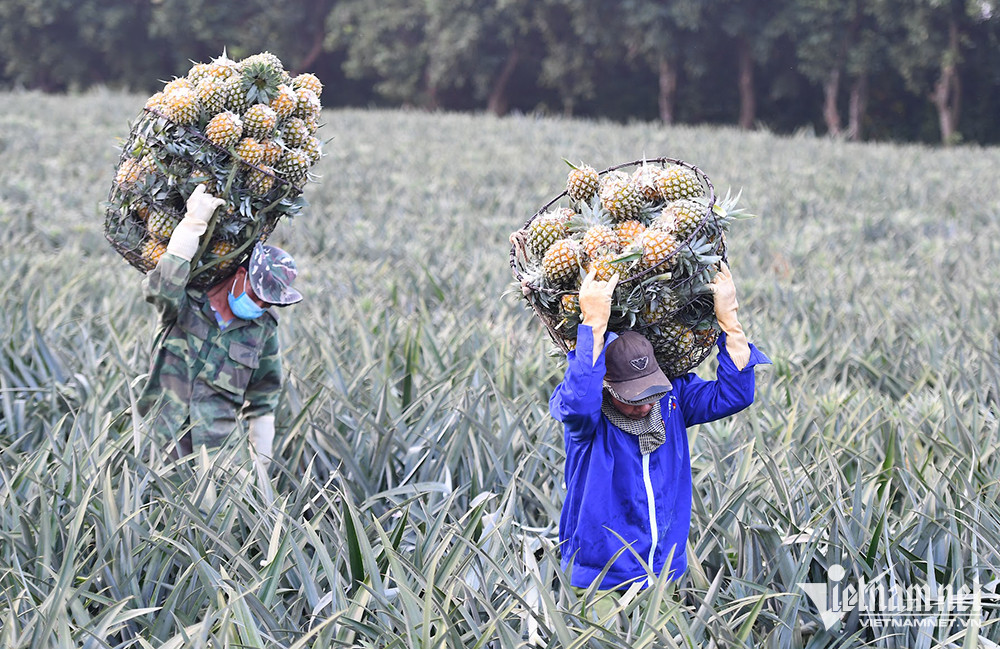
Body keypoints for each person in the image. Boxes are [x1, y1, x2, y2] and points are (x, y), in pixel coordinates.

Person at [549, 262, 769, 593]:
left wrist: (730, 321)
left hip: (664, 574)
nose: (645, 405)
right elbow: (579, 399)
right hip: (599, 582)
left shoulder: (671, 400)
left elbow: (735, 395)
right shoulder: (588, 425)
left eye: (651, 392)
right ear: (606, 385)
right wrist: (593, 323)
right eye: (632, 397)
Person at [136, 185, 302, 473]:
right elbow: (161, 288)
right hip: (160, 445)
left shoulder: (263, 329)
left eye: (268, 302)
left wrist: (260, 463)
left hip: (220, 460)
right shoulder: (188, 300)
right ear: (241, 274)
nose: (259, 305)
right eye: (256, 294)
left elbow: (263, 399)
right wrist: (192, 225)